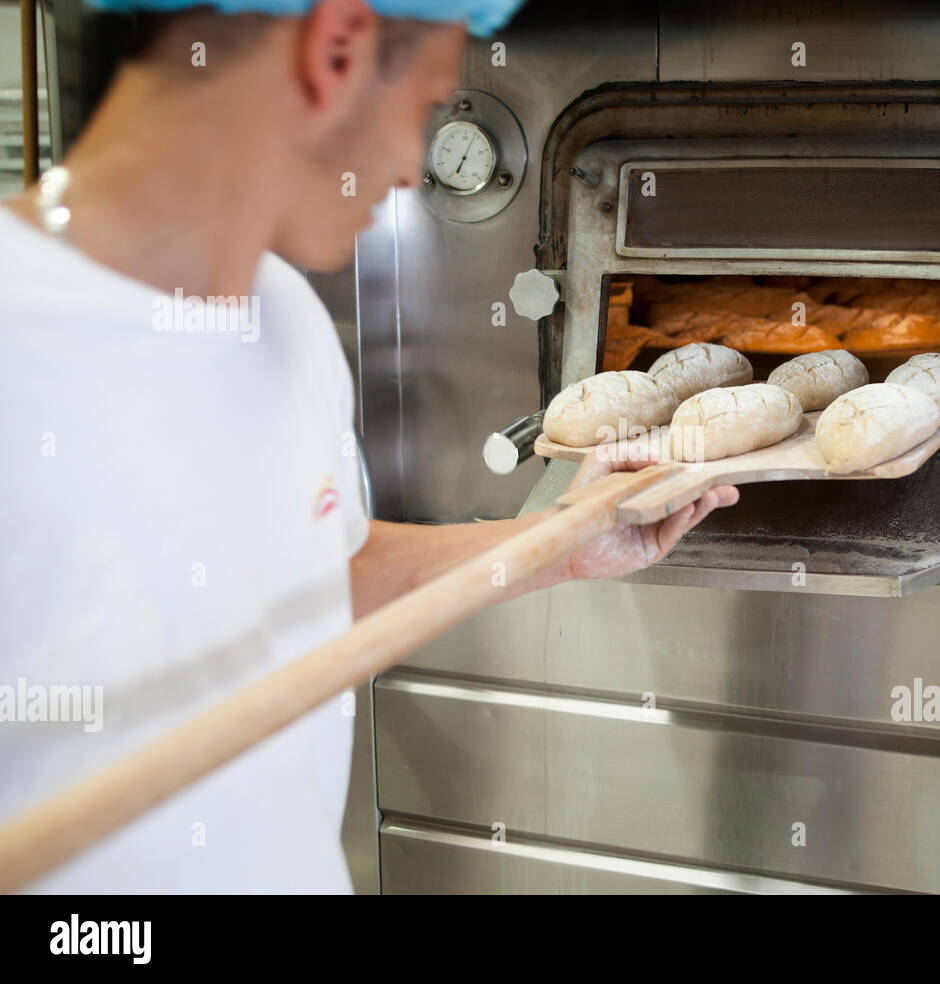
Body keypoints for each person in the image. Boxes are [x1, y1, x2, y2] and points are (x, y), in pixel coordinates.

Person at [0, 0, 738, 892]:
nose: (403, 168)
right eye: (425, 107)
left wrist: (558, 542)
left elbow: (318, 577)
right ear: (336, 50)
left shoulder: (284, 319)